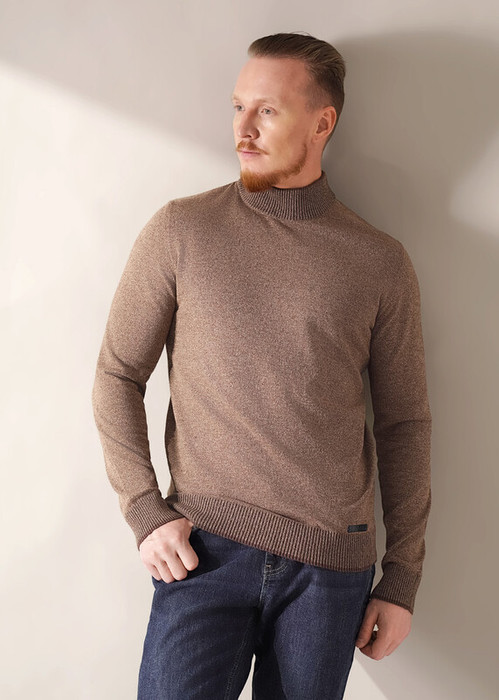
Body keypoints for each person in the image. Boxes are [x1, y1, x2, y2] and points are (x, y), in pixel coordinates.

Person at [92, 31, 432, 699]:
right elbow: (116, 376)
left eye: (267, 110)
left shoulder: (379, 261)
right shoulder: (182, 230)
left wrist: (401, 579)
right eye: (237, 106)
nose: (242, 129)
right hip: (202, 552)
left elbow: (404, 426)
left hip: (329, 571)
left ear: (322, 123)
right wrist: (144, 510)